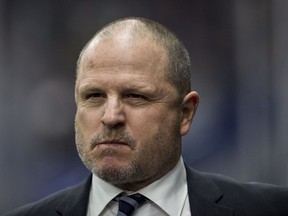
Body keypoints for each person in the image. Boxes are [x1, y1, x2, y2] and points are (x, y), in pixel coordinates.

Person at [3, 17, 288, 216]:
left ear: (185, 114)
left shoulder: (271, 209)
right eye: (94, 96)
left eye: (135, 96)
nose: (110, 116)